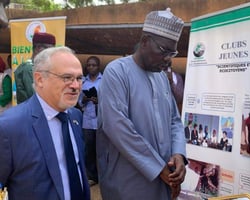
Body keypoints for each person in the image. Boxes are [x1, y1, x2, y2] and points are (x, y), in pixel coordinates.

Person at [96, 8, 187, 200]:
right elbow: (117, 127)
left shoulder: (161, 77)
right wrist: (157, 167)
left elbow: (174, 120)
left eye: (172, 52)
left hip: (163, 178)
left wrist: (178, 154)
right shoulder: (117, 72)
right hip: (128, 181)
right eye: (164, 51)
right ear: (145, 42)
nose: (168, 58)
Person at [0, 46, 90, 200]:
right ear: (40, 79)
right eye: (67, 77)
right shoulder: (9, 127)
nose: (75, 86)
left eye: (79, 78)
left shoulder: (75, 117)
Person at [78, 56, 102, 185]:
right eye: (89, 65)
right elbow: (79, 101)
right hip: (87, 121)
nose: (91, 67)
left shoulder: (104, 81)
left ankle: (103, 177)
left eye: (94, 65)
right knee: (88, 150)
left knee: (101, 150)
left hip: (100, 122)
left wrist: (99, 101)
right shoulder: (83, 82)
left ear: (99, 66)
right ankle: (92, 176)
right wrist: (85, 100)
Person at [14, 32, 56, 104]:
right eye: (49, 50)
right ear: (38, 48)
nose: (52, 53)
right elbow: (36, 97)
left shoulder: (38, 67)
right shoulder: (29, 68)